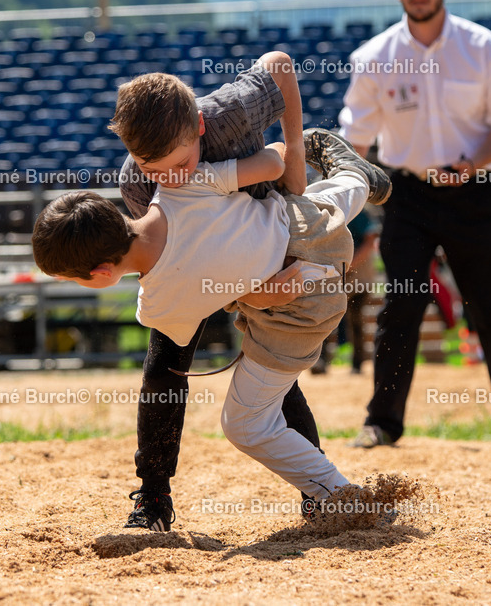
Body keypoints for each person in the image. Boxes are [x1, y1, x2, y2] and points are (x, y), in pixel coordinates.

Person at [32, 119, 391, 526]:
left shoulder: (158, 306)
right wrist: (294, 141)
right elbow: (270, 165)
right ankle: (354, 175)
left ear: (99, 273)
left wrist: (248, 293)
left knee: (245, 424)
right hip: (302, 227)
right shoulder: (177, 185)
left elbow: (196, 304)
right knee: (325, 203)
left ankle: (339, 495)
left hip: (302, 305)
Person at [339, 0, 491, 449]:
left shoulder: (487, 48)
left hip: (475, 192)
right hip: (408, 196)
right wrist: (336, 200)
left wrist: (470, 165)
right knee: (399, 307)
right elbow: (356, 138)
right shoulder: (373, 57)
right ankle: (382, 421)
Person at [107, 55, 318, 531]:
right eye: (156, 170)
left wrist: (296, 166)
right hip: (202, 260)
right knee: (165, 364)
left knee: (271, 372)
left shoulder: (232, 110)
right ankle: (153, 496)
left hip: (260, 231)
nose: (173, 178)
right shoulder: (137, 186)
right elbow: (178, 269)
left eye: (181, 164)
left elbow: (279, 65)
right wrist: (236, 296)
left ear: (200, 126)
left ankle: (318, 490)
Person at [311, 206, 380, 375]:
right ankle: (320, 361)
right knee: (325, 316)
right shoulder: (324, 209)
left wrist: (350, 265)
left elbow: (370, 241)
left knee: (356, 319)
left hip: (358, 273)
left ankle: (357, 363)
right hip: (334, 271)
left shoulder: (359, 210)